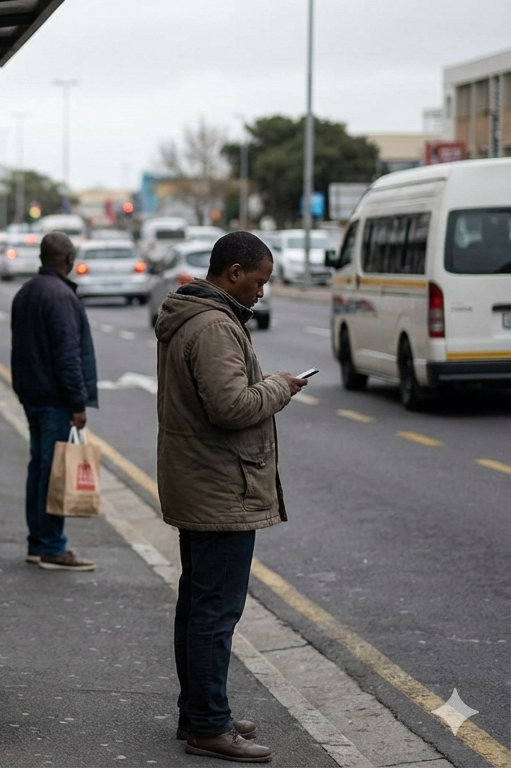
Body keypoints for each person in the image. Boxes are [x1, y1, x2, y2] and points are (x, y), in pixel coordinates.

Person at [152, 231, 307, 763]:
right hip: (219, 487)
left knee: (198, 607)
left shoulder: (195, 315)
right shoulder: (216, 326)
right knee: (214, 613)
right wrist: (281, 386)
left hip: (199, 481)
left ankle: (198, 713)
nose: (262, 292)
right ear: (234, 273)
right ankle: (208, 728)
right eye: (259, 281)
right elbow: (231, 407)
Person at [10, 232, 99, 571]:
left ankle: (38, 542)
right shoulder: (61, 296)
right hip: (54, 399)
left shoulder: (27, 291)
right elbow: (67, 356)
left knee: (40, 468)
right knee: (53, 471)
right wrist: (78, 403)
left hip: (32, 394)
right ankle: (51, 546)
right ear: (68, 260)